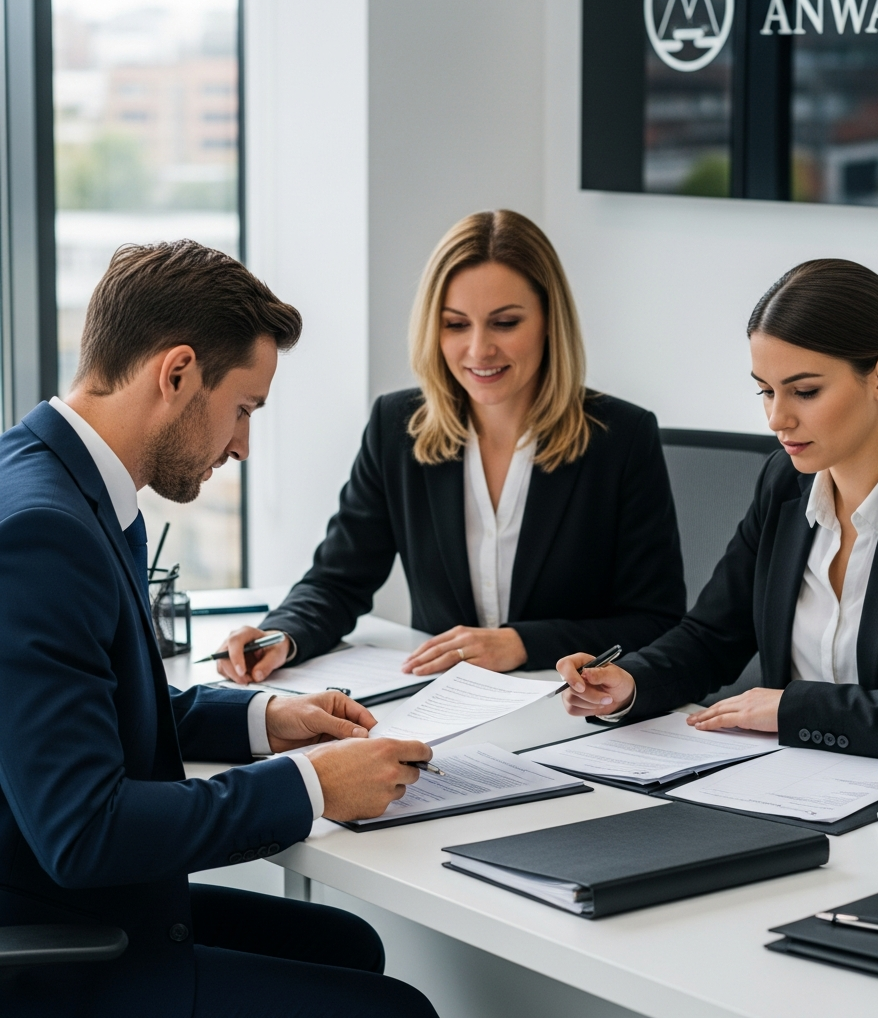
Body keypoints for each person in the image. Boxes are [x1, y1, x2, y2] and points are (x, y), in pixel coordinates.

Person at [0, 241, 438, 1018]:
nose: (241, 444)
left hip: (77, 908)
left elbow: (90, 711)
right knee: (396, 1010)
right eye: (243, 409)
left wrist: (268, 722)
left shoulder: (58, 483)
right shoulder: (45, 534)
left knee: (348, 948)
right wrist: (313, 786)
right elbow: (85, 830)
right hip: (58, 951)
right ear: (175, 374)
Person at [556, 259, 878, 761]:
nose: (778, 418)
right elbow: (712, 636)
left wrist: (795, 712)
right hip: (783, 787)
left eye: (805, 391)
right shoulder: (784, 483)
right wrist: (628, 684)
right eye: (765, 390)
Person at [217, 210, 684, 685]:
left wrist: (523, 643)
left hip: (570, 706)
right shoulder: (397, 428)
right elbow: (338, 580)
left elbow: (656, 621)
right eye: (456, 325)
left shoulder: (621, 438)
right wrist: (278, 636)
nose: (479, 350)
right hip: (444, 707)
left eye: (504, 323)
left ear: (549, 321)